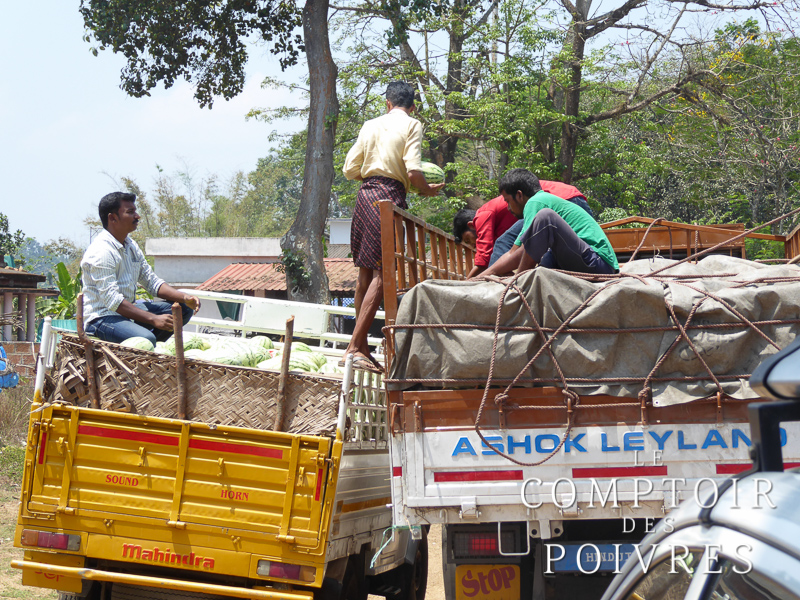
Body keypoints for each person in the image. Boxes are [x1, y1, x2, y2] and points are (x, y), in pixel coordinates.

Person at [342, 82, 445, 372]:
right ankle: (353, 348)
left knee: (365, 273)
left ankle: (360, 346)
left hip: (365, 195)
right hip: (389, 198)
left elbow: (350, 168)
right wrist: (426, 189)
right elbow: (413, 171)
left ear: (387, 103)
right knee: (384, 273)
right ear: (412, 106)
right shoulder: (413, 125)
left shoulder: (370, 124)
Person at [81, 192, 200, 346]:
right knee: (145, 339)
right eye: (130, 212)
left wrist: (184, 297)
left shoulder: (130, 245)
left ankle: (150, 350)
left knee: (183, 310)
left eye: (135, 211)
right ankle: (148, 348)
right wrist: (153, 319)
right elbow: (113, 301)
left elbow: (151, 281)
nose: (137, 216)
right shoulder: (101, 252)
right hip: (103, 318)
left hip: (128, 311)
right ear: (112, 218)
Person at [481, 169, 618, 277]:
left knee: (546, 217)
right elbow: (514, 252)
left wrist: (486, 275)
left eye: (507, 201)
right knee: (547, 256)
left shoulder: (536, 202)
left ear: (519, 195)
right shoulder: (542, 201)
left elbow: (519, 252)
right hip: (593, 262)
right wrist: (490, 274)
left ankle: (519, 284)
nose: (508, 208)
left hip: (598, 263)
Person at [453, 181, 594, 277]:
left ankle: (498, 287)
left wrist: (468, 283)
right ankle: (507, 280)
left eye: (468, 239)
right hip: (576, 200)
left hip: (563, 199)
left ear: (471, 225)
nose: (472, 244)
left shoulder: (482, 215)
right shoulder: (501, 220)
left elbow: (483, 257)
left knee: (503, 242)